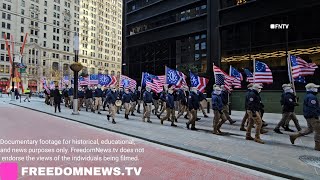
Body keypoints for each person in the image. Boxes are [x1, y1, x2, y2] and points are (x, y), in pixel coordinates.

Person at [289, 83, 320, 151]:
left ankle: (294, 136)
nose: (316, 89)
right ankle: (318, 146)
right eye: (315, 88)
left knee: (310, 129)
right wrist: (316, 116)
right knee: (318, 131)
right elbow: (313, 108)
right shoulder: (312, 97)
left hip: (309, 116)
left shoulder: (309, 95)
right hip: (312, 116)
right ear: (311, 88)